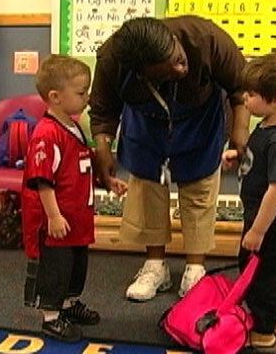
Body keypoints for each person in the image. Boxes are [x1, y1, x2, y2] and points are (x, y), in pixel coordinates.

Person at [89, 15, 250, 301]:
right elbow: (103, 110)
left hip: (200, 121)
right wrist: (103, 149)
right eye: (169, 69)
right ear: (143, 72)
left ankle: (195, 267)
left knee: (200, 191)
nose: (179, 66)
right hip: (146, 122)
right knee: (147, 190)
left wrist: (240, 133)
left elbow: (241, 87)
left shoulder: (206, 38)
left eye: (178, 58)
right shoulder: (113, 58)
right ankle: (154, 266)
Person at [21, 54, 127, 342]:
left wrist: (107, 181)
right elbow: (42, 180)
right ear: (55, 97)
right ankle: (51, 317)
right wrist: (53, 216)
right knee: (56, 269)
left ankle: (68, 304)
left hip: (77, 219)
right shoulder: (46, 134)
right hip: (59, 221)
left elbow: (78, 166)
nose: (88, 98)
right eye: (81, 93)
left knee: (76, 267)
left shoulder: (72, 126)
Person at [222, 52, 276, 348]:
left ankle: (263, 330)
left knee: (263, 274)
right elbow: (261, 158)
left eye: (252, 94)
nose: (245, 98)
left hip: (271, 219)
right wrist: (240, 155)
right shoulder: (269, 124)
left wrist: (257, 230)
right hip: (264, 214)